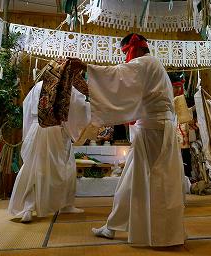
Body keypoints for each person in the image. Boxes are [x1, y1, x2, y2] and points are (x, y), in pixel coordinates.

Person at [88, 33, 185, 246]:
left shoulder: (144, 63)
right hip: (155, 129)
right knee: (132, 179)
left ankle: (160, 234)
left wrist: (89, 69)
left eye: (126, 52)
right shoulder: (154, 65)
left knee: (154, 181)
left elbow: (118, 75)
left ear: (136, 49)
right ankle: (112, 227)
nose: (126, 58)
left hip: (152, 131)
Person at [8, 80, 90, 222]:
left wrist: (29, 130)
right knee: (66, 168)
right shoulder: (67, 86)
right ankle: (66, 205)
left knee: (33, 168)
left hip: (36, 129)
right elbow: (80, 109)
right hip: (57, 131)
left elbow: (27, 107)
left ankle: (28, 207)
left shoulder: (39, 85)